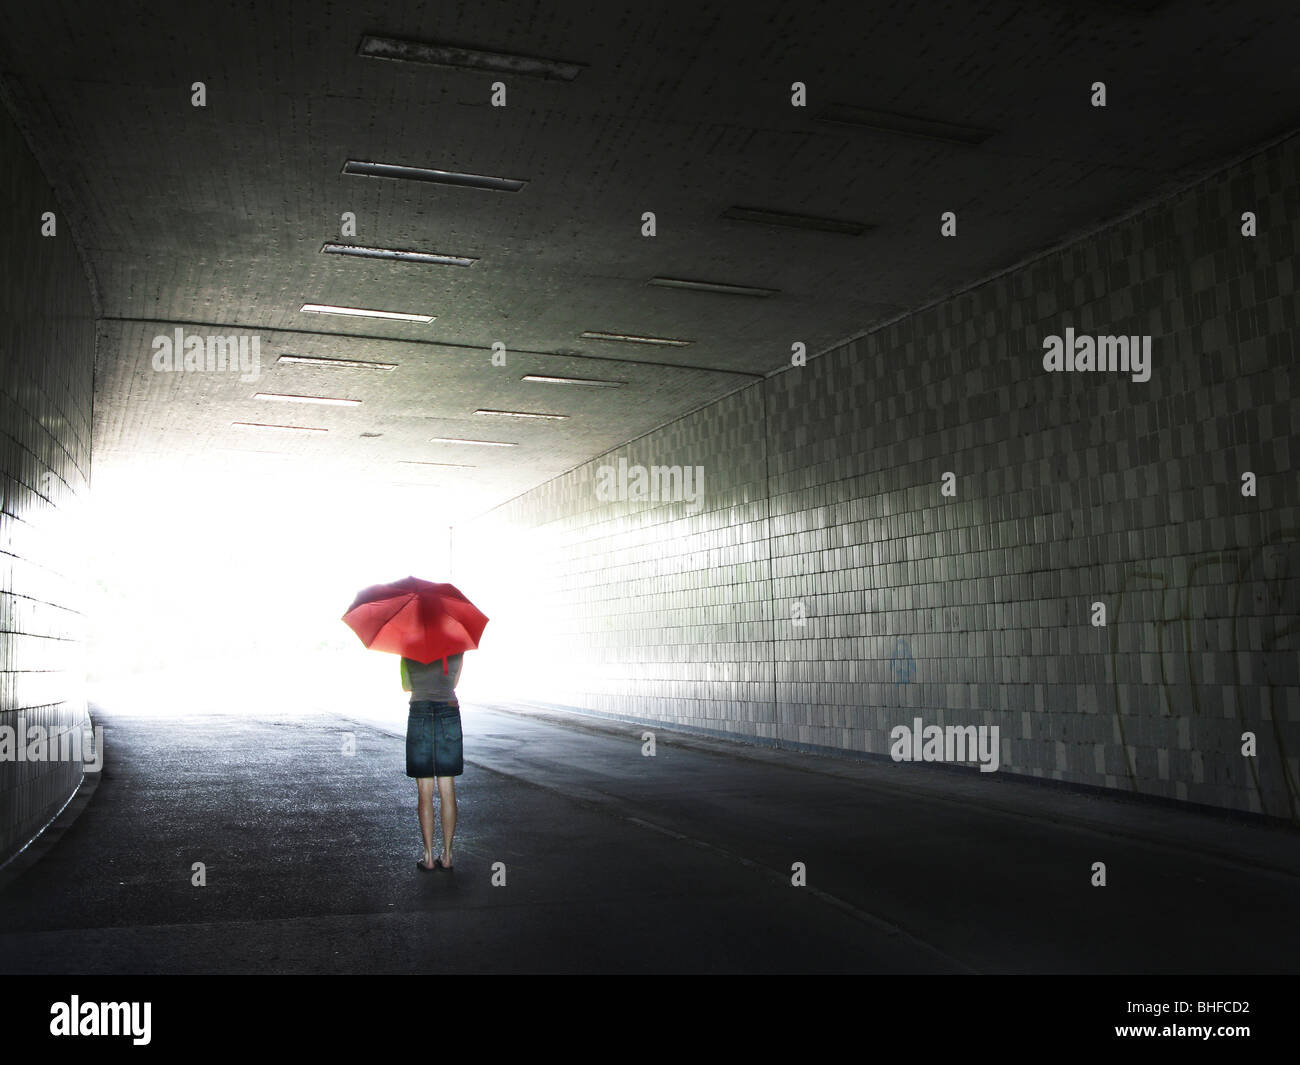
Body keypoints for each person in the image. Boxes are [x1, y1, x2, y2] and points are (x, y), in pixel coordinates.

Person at [402, 652, 464, 872]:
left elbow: (406, 685)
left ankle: (428, 856)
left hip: (419, 710)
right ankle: (447, 855)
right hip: (449, 708)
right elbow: (454, 681)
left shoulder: (408, 644)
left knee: (424, 789)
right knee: (447, 787)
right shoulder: (457, 644)